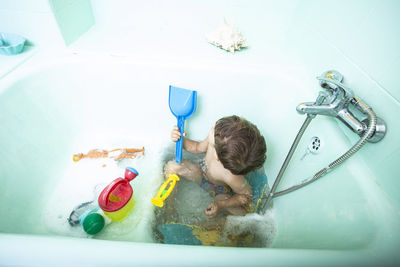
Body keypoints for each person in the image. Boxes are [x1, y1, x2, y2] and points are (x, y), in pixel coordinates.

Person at [164, 115, 267, 219]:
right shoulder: (218, 138)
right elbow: (196, 148)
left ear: (217, 155)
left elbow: (247, 197)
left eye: (215, 127)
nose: (214, 125)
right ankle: (169, 207)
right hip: (200, 172)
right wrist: (180, 139)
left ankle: (217, 225)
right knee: (171, 166)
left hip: (219, 190)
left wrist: (221, 204)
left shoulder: (232, 177)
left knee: (241, 214)